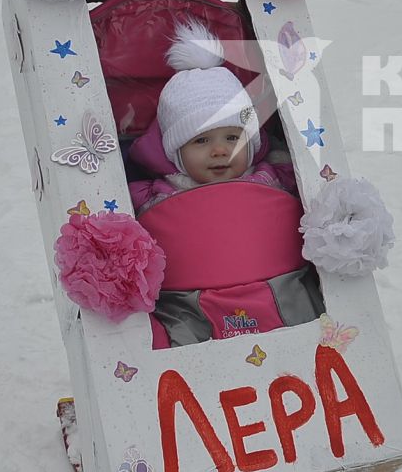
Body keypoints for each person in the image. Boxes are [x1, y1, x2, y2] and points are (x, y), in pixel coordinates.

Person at [128, 24, 316, 348]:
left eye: (233, 137)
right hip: (188, 306)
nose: (220, 150)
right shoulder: (153, 194)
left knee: (315, 331)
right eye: (201, 140)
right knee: (163, 350)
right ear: (176, 151)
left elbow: (317, 194)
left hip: (282, 291)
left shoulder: (277, 177)